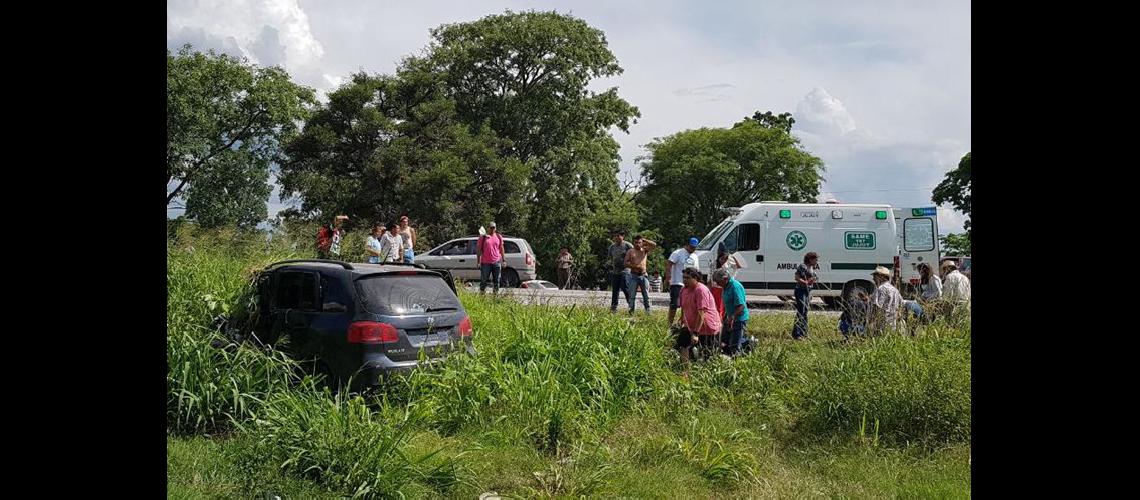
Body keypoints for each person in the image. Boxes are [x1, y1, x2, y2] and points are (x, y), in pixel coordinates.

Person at [675, 267, 723, 362]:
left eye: (687, 278)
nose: (684, 280)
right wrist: (682, 319)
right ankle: (684, 371)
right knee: (682, 343)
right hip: (691, 327)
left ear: (695, 278)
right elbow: (683, 307)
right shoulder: (683, 290)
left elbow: (701, 313)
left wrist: (696, 333)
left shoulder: (701, 290)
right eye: (683, 277)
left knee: (707, 355)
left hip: (707, 328)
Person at [712, 268, 749, 356]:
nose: (717, 284)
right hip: (730, 317)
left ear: (725, 279)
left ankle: (740, 355)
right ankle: (745, 343)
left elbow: (741, 306)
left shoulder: (735, 287)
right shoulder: (726, 287)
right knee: (724, 339)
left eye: (718, 282)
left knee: (734, 344)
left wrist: (732, 317)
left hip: (739, 319)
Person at [665, 238, 699, 325]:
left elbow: (697, 271)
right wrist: (668, 277)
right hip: (677, 282)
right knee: (674, 304)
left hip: (690, 285)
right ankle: (669, 323)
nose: (693, 249)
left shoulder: (695, 256)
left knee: (687, 305)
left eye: (694, 247)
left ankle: (683, 323)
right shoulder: (678, 253)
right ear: (687, 245)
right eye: (691, 247)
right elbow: (669, 264)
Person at [624, 235, 657, 314]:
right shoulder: (630, 251)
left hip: (643, 275)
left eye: (639, 242)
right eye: (636, 242)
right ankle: (631, 311)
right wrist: (635, 266)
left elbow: (654, 245)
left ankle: (648, 311)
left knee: (646, 295)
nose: (637, 244)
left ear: (642, 243)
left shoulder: (644, 250)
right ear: (633, 243)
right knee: (632, 295)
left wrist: (645, 240)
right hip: (633, 275)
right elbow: (625, 263)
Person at [791, 252, 820, 340]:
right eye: (815, 259)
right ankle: (797, 333)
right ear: (810, 259)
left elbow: (815, 277)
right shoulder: (803, 266)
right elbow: (796, 277)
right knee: (801, 311)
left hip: (807, 291)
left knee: (805, 311)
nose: (817, 261)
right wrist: (806, 282)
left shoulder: (812, 267)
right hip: (801, 290)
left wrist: (814, 279)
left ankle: (804, 333)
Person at [868, 266, 903, 335]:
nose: (873, 279)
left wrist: (871, 322)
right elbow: (901, 303)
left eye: (875, 276)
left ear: (881, 277)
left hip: (883, 324)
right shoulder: (894, 289)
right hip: (893, 323)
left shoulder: (881, 289)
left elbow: (877, 307)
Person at [607, 230, 634, 312]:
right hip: (615, 270)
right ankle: (613, 307)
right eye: (615, 236)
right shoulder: (612, 246)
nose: (616, 238)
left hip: (626, 270)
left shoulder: (628, 245)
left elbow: (634, 256)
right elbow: (610, 257)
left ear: (623, 236)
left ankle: (631, 305)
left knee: (625, 287)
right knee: (615, 289)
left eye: (618, 236)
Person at [477, 222, 507, 294]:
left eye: (494, 227)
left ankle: (495, 296)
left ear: (495, 228)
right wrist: (478, 262)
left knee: (496, 281)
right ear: (488, 228)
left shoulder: (498, 237)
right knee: (483, 280)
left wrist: (504, 260)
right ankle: (482, 295)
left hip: (496, 262)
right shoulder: (483, 238)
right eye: (491, 227)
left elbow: (502, 249)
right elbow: (478, 250)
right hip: (485, 263)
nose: (492, 229)